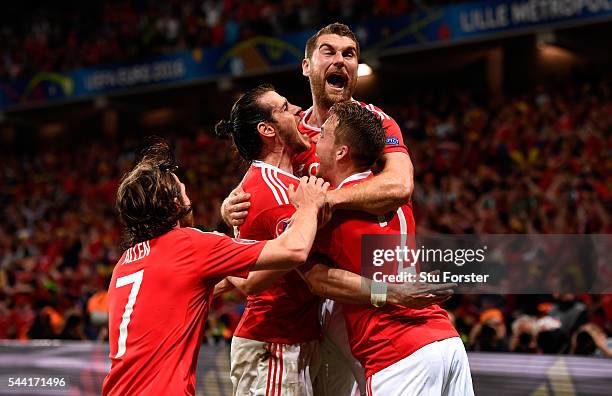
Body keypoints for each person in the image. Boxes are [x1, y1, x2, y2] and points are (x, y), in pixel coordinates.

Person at [215, 85, 454, 396]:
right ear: (267, 130)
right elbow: (259, 279)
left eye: (350, 53)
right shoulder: (277, 191)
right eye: (286, 108)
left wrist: (324, 201)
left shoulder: (299, 178)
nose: (298, 112)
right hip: (275, 343)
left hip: (305, 338)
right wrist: (219, 245)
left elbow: (400, 183)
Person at [102, 140, 328, 396]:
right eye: (185, 191)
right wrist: (309, 206)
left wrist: (231, 226)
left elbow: (205, 285)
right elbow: (294, 249)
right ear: (177, 204)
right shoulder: (188, 245)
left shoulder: (124, 264)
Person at [303, 102, 473, 395]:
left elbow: (318, 279)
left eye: (325, 134)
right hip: (446, 342)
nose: (316, 139)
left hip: (396, 355)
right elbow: (399, 182)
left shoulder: (328, 209)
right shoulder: (395, 192)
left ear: (342, 151)